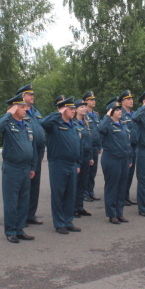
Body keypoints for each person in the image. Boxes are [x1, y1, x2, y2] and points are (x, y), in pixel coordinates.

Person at [0, 93, 36, 244]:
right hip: (12, 168)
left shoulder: (27, 124)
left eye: (25, 107)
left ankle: (20, 229)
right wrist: (8, 113)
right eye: (22, 107)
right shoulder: (8, 124)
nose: (25, 109)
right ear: (14, 108)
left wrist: (32, 166)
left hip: (25, 168)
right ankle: (10, 231)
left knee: (24, 201)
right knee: (12, 201)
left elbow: (32, 147)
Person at [41, 96, 83, 234]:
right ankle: (59, 223)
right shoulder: (54, 124)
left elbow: (78, 145)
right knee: (59, 194)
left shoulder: (74, 124)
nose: (73, 111)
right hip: (58, 163)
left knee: (70, 195)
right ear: (63, 109)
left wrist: (77, 162)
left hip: (72, 164)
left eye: (73, 109)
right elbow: (43, 123)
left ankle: (68, 221)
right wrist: (58, 112)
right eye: (70, 109)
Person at [99, 100, 132, 224]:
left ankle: (120, 213)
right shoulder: (107, 124)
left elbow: (127, 143)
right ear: (111, 112)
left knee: (122, 187)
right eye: (117, 110)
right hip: (111, 159)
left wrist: (129, 158)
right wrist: (107, 116)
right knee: (112, 187)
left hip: (123, 159)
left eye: (120, 109)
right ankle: (112, 214)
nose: (120, 111)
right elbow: (100, 128)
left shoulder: (123, 124)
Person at [17, 84, 46, 226]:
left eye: (33, 94)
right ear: (22, 96)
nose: (33, 96)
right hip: (27, 152)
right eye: (29, 94)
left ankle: (31, 214)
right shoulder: (20, 112)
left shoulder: (35, 111)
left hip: (38, 153)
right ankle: (21, 216)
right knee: (25, 187)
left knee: (35, 186)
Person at [73, 99, 95, 218]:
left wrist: (91, 156)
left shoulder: (86, 123)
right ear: (76, 109)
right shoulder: (73, 123)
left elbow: (89, 141)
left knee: (83, 183)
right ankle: (73, 208)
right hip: (78, 156)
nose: (84, 108)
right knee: (75, 183)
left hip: (86, 156)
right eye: (82, 107)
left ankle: (80, 207)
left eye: (85, 106)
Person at [118, 90, 138, 206]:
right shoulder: (119, 113)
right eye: (128, 99)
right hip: (125, 147)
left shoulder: (134, 114)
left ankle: (126, 196)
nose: (131, 101)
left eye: (131, 99)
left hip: (134, 147)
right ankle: (121, 197)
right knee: (123, 174)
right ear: (122, 101)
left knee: (130, 174)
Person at [83, 91, 102, 201]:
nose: (93, 101)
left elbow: (98, 131)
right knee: (86, 170)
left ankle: (91, 191)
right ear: (86, 101)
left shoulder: (96, 115)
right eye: (91, 100)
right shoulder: (83, 114)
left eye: (94, 99)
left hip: (95, 146)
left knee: (93, 171)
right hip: (87, 146)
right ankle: (85, 193)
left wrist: (99, 146)